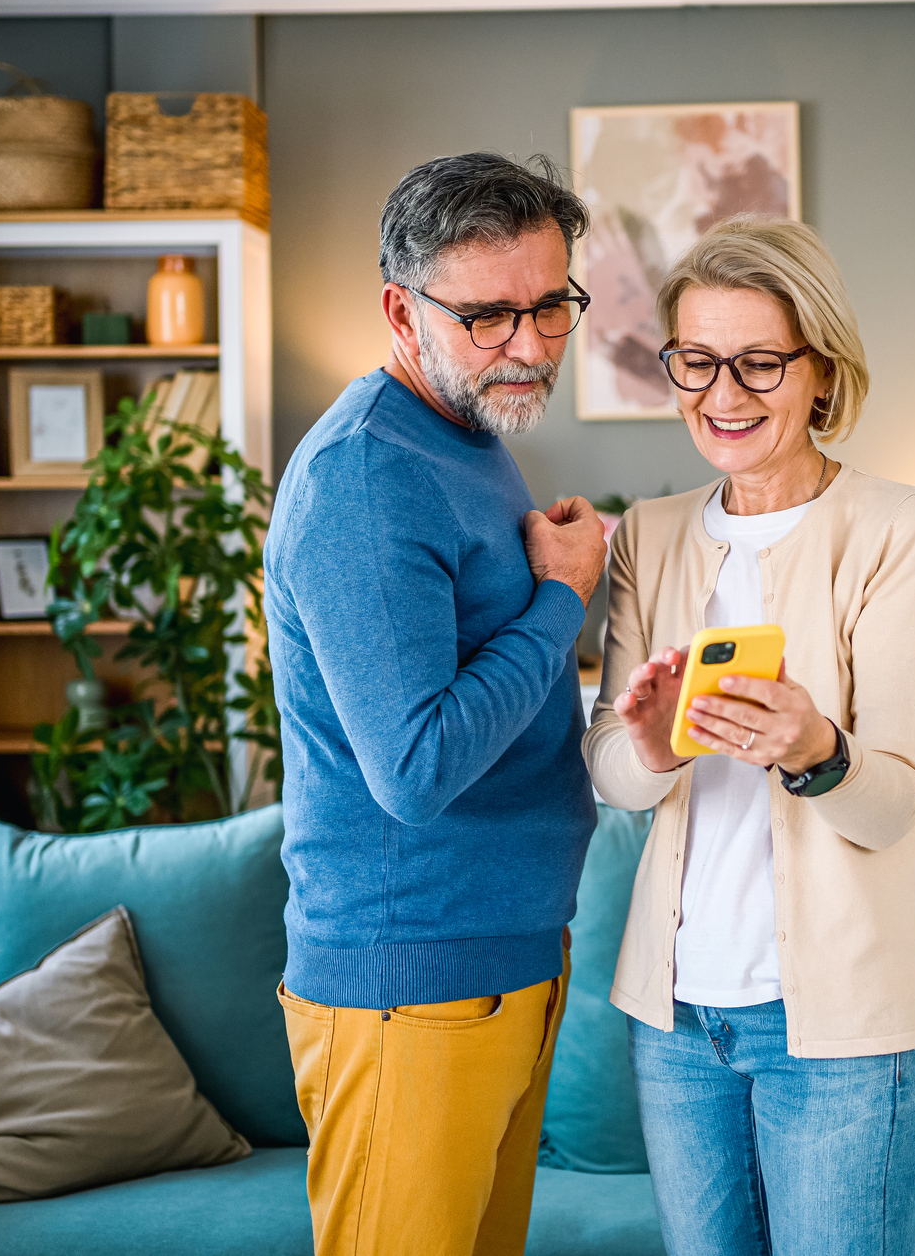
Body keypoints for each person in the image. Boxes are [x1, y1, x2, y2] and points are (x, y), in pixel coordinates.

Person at [583, 216, 915, 1256]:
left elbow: (894, 803)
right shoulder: (649, 537)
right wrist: (655, 747)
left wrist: (816, 748)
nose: (724, 394)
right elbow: (614, 772)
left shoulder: (902, 528)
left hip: (844, 1030)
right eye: (696, 361)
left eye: (758, 362)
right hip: (679, 1020)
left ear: (822, 369)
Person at [264, 152, 608, 1256]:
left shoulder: (467, 434)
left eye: (550, 305)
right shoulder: (368, 473)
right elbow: (414, 769)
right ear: (400, 312)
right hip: (409, 988)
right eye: (488, 315)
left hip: (504, 965)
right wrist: (561, 598)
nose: (528, 343)